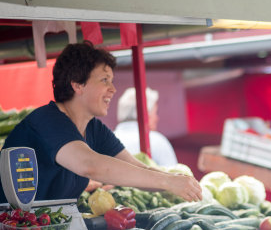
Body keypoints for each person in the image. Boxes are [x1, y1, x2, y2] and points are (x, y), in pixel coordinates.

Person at [0, 41, 202, 203]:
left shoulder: (93, 128)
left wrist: (179, 182)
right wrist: (167, 180)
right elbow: (89, 165)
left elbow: (137, 169)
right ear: (78, 85)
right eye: (104, 80)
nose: (113, 89)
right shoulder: (46, 121)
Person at [114, 87, 178, 167]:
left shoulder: (105, 141)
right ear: (146, 115)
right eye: (155, 113)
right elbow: (174, 176)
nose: (157, 118)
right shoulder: (157, 141)